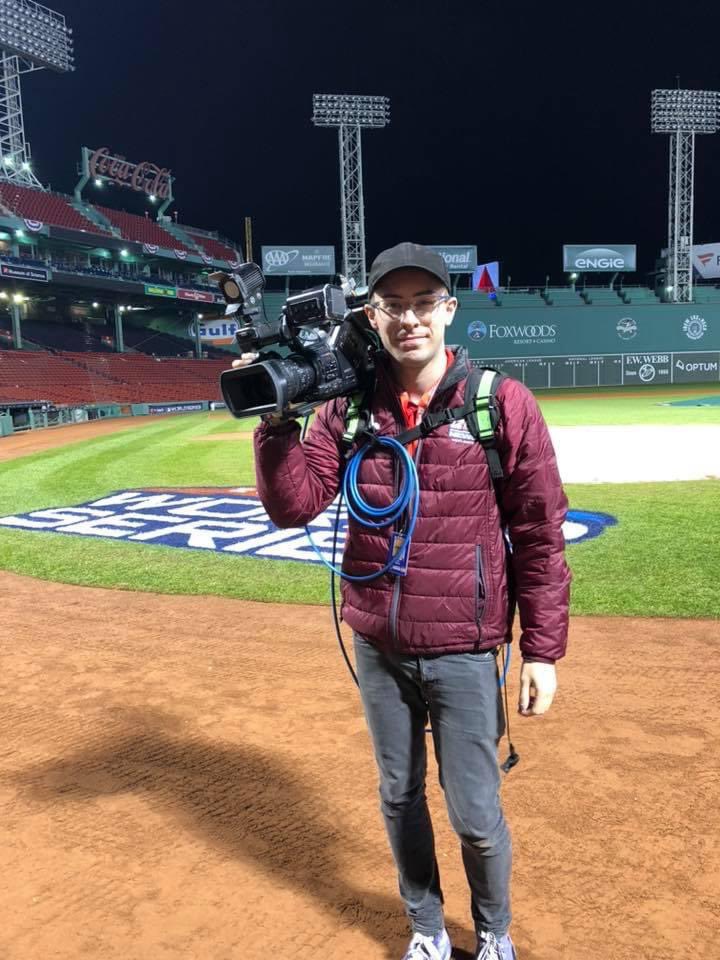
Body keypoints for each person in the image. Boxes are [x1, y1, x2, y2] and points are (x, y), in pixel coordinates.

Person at [238, 242, 571, 960]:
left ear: (449, 310)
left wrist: (542, 652)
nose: (409, 318)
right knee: (399, 796)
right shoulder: (349, 407)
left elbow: (540, 534)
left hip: (463, 647)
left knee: (475, 814)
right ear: (372, 315)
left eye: (423, 303)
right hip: (378, 645)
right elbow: (294, 505)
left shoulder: (498, 402)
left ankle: (493, 934)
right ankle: (426, 927)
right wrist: (276, 422)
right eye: (393, 305)